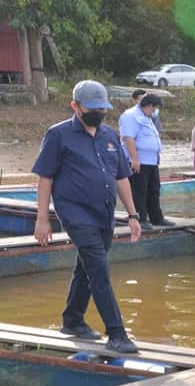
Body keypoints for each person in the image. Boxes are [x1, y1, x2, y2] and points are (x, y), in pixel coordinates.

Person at [32, 80, 142, 355]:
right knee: (99, 268)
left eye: (102, 109)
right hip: (75, 213)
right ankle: (116, 332)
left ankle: (72, 319)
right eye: (92, 108)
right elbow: (45, 177)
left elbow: (121, 178)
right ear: (75, 106)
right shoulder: (58, 135)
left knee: (87, 267)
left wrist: (132, 215)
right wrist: (42, 218)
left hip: (103, 213)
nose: (99, 113)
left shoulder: (109, 135)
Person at [120, 93, 173, 230]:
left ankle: (156, 217)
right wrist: (134, 158)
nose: (154, 112)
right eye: (153, 109)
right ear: (148, 105)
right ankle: (141, 218)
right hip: (139, 160)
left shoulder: (146, 117)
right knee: (139, 190)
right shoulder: (130, 116)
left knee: (154, 189)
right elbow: (128, 138)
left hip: (151, 161)